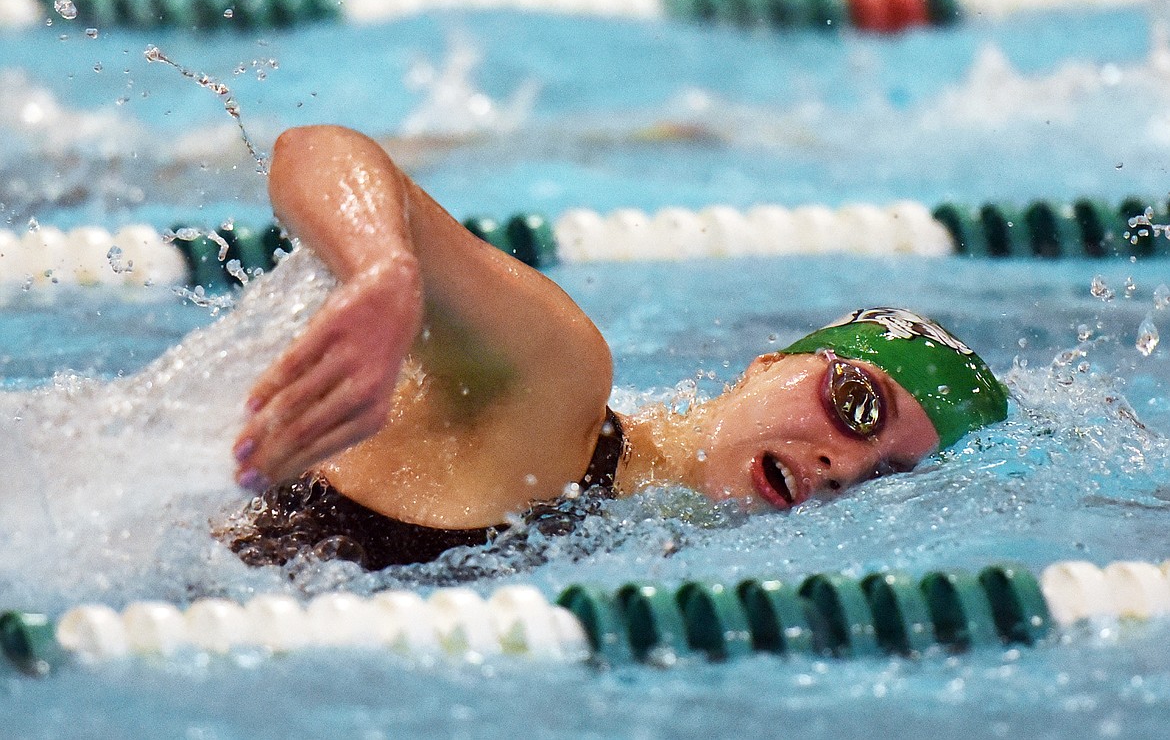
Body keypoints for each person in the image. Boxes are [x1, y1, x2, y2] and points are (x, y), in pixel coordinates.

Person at [221, 125, 1009, 570]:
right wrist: (384, 271)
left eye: (888, 477)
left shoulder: (631, 525)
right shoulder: (557, 380)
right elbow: (316, 150)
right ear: (770, 363)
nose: (847, 467)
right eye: (859, 405)